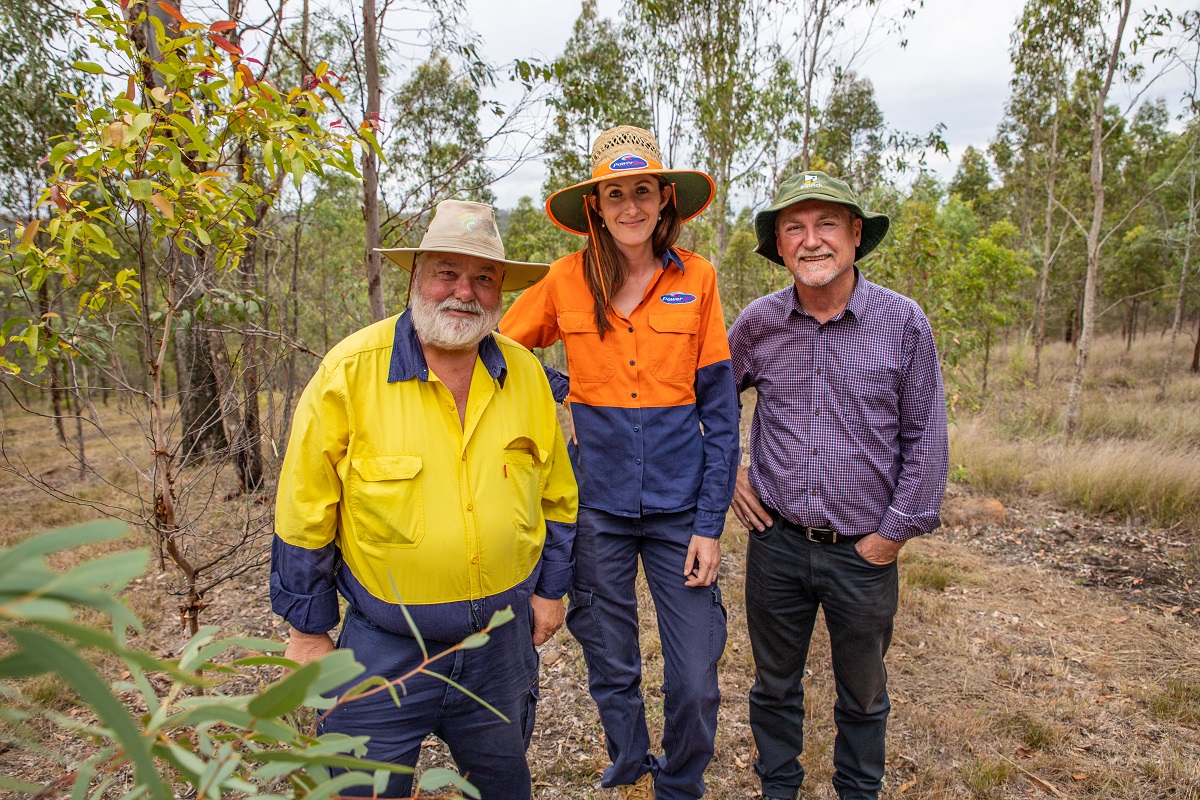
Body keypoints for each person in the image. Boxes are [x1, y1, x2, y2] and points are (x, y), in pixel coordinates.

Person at [270, 199, 578, 800]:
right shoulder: (349, 372)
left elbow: (559, 498)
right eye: (445, 272)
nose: (463, 291)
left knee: (503, 789)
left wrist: (550, 591)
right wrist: (308, 630)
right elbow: (305, 506)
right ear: (416, 277)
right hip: (381, 649)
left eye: (483, 277)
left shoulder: (528, 378)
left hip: (501, 647)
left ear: (500, 291)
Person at [499, 125, 738, 800]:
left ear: (665, 199)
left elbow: (720, 414)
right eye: (614, 194)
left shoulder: (698, 279)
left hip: (679, 510)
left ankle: (680, 784)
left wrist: (710, 524)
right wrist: (558, 386)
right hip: (595, 503)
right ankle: (630, 765)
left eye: (642, 191)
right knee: (609, 655)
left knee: (694, 674)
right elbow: (500, 350)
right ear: (596, 207)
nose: (630, 206)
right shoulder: (565, 279)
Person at [727, 171, 949, 800]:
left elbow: (926, 439)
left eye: (826, 224)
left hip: (865, 549)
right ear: (779, 243)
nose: (811, 240)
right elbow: (704, 406)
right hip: (778, 542)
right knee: (773, 687)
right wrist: (730, 476)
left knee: (863, 692)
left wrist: (890, 537)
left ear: (855, 234)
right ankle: (779, 788)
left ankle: (859, 790)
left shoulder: (903, 323)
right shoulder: (757, 325)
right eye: (794, 227)